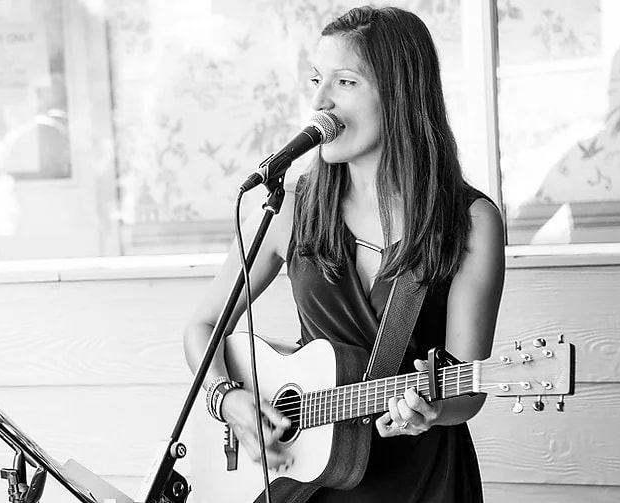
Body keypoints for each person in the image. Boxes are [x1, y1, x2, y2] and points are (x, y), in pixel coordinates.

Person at [182, 5, 504, 502]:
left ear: (400, 95)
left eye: (345, 82)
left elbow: (469, 387)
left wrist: (434, 410)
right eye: (316, 80)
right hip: (305, 483)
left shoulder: (469, 222)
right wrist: (229, 400)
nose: (319, 102)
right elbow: (202, 328)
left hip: (425, 484)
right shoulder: (289, 208)